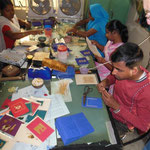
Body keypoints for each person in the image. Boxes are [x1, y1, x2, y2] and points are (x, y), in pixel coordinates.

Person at [97, 42, 150, 134]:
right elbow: (114, 77)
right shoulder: (127, 71)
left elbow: (144, 126)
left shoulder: (146, 92)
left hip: (122, 122)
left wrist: (116, 106)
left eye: (118, 70)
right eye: (114, 68)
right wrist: (106, 82)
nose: (113, 72)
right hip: (112, 108)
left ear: (134, 71)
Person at [92, 20, 128, 91]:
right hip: (100, 67)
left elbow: (115, 70)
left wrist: (103, 61)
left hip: (106, 76)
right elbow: (106, 50)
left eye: (107, 33)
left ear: (115, 33)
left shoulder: (120, 49)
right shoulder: (111, 41)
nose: (106, 35)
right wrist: (97, 44)